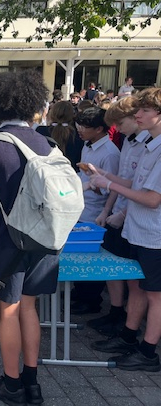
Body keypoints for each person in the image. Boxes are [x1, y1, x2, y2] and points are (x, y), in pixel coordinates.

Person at [0, 70, 61, 405]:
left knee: (8, 309)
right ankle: (32, 382)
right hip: (45, 239)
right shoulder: (49, 144)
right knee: (30, 307)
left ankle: (10, 384)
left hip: (8, 239)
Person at [89, 88, 161, 372]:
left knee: (155, 295)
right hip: (140, 230)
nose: (138, 115)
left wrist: (108, 185)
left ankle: (148, 352)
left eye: (144, 110)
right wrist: (105, 176)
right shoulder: (150, 145)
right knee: (139, 287)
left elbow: (152, 199)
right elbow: (135, 184)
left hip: (154, 234)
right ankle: (129, 336)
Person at [87, 97, 149, 336]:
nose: (118, 129)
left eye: (120, 123)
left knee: (132, 276)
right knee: (112, 265)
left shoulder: (147, 144)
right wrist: (107, 210)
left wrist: (122, 213)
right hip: (120, 210)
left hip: (134, 215)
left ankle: (128, 324)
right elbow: (120, 181)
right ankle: (115, 311)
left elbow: (143, 189)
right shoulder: (128, 141)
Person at [71, 107, 120, 315]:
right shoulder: (87, 145)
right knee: (79, 254)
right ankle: (80, 292)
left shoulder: (110, 153)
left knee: (92, 259)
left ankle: (91, 300)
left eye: (85, 126)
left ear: (99, 128)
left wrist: (105, 210)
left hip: (96, 211)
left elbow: (114, 187)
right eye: (79, 125)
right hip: (82, 206)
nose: (80, 130)